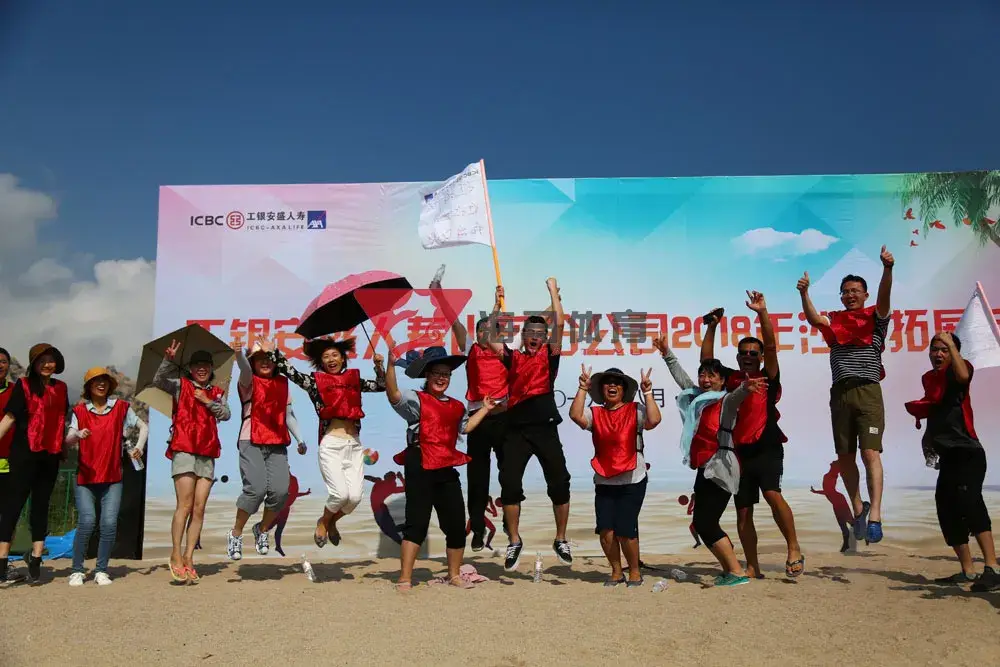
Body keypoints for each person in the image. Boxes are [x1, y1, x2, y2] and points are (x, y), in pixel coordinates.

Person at [700, 292, 803, 578]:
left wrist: (762, 313)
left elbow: (770, 346)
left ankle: (793, 548)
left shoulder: (769, 376)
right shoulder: (731, 379)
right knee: (743, 511)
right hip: (738, 454)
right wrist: (712, 327)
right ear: (737, 357)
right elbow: (707, 361)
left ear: (760, 357)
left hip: (767, 447)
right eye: (743, 353)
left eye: (753, 354)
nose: (748, 357)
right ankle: (753, 567)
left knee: (772, 494)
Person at [798, 246, 894, 545]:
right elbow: (814, 319)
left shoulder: (876, 318)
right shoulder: (835, 321)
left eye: (855, 291)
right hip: (840, 393)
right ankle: (858, 507)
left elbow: (885, 298)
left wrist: (887, 269)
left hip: (867, 391)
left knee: (870, 453)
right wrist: (804, 293)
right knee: (845, 456)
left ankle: (875, 514)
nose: (850, 295)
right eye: (845, 291)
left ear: (865, 295)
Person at [654, 334, 765, 587]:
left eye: (712, 376)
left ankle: (736, 571)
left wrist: (744, 388)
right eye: (702, 375)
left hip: (720, 466)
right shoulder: (698, 400)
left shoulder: (724, 401)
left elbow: (735, 397)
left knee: (706, 522)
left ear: (722, 380)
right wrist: (667, 354)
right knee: (702, 522)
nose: (705, 379)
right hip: (705, 467)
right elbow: (682, 379)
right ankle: (730, 569)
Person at [384, 346, 497, 590]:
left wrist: (485, 409)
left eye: (446, 374)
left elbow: (465, 428)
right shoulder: (415, 399)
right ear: (427, 375)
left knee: (456, 524)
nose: (441, 378)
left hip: (446, 465)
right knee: (417, 523)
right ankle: (405, 578)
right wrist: (390, 366)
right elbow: (393, 395)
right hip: (420, 461)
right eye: (436, 373)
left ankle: (454, 575)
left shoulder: (457, 406)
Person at [485, 277, 572, 571]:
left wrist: (552, 292)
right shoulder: (512, 358)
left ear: (545, 337)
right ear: (523, 336)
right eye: (530, 332)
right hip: (515, 430)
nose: (535, 337)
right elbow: (489, 338)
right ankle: (514, 540)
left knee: (559, 482)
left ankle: (561, 538)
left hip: (545, 427)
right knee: (509, 484)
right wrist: (495, 308)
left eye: (540, 333)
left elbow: (560, 323)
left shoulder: (550, 355)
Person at [905, 331, 999, 591]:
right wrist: (928, 440)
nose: (938, 354)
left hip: (968, 452)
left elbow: (964, 376)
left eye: (944, 349)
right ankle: (968, 571)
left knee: (971, 504)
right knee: (946, 509)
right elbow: (936, 410)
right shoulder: (929, 378)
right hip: (947, 455)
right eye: (935, 349)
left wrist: (952, 346)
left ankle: (992, 567)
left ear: (954, 353)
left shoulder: (960, 370)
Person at [272, 336, 385, 548]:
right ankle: (324, 523)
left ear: (343, 359)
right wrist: (274, 352)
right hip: (331, 444)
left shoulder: (354, 381)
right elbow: (291, 373)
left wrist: (379, 367)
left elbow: (381, 386)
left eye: (335, 355)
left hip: (354, 445)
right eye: (326, 357)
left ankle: (330, 521)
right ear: (320, 362)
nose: (331, 359)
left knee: (354, 499)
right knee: (340, 495)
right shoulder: (315, 382)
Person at [569, 366, 661, 586]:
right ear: (601, 389)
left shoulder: (635, 410)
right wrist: (582, 388)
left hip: (633, 478)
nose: (612, 385)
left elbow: (654, 420)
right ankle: (616, 572)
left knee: (626, 529)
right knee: (606, 530)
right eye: (608, 382)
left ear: (624, 389)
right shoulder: (595, 413)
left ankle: (635, 572)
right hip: (604, 479)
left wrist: (648, 392)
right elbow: (575, 415)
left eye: (617, 383)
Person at [151, 339, 231, 582]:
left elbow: (226, 414)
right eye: (197, 365)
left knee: (199, 508)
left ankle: (189, 557)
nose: (202, 368)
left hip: (207, 451)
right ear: (190, 368)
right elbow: (158, 381)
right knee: (184, 505)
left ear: (211, 368)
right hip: (184, 448)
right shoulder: (180, 385)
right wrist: (168, 359)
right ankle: (176, 554)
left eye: (206, 365)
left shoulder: (216, 392)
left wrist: (208, 401)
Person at [64, 367, 149, 586]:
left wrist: (138, 447)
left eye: (105, 381)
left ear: (110, 385)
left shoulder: (121, 407)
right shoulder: (80, 411)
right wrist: (77, 434)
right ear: (88, 386)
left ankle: (101, 570)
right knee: (87, 521)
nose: (101, 384)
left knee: (109, 524)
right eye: (96, 381)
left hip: (113, 477)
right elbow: (68, 440)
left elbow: (143, 426)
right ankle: (77, 570)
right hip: (85, 478)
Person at [226, 339, 307, 561]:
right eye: (258, 359)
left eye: (268, 358)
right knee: (255, 490)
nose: (264, 362)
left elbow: (289, 415)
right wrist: (238, 355)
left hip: (277, 441)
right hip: (250, 439)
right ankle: (236, 533)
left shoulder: (282, 384)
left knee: (281, 492)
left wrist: (300, 439)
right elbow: (243, 369)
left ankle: (262, 529)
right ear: (252, 362)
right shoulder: (248, 381)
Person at [0, 343, 70, 584]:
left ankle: (36, 559)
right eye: (41, 361)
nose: (47, 364)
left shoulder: (61, 388)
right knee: (13, 506)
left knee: (41, 506)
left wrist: (66, 445)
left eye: (50, 360)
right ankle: (2, 562)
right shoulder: (24, 385)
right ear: (33, 364)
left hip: (50, 456)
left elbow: (62, 421)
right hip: (23, 455)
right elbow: (9, 418)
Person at [811, 461, 854, 553]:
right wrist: (816, 492)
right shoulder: (831, 476)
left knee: (845, 523)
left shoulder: (830, 476)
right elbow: (828, 491)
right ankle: (852, 541)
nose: (832, 462)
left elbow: (828, 491)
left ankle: (848, 544)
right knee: (848, 523)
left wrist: (816, 492)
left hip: (838, 501)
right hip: (837, 501)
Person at [274, 474, 310, 557]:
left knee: (279, 529)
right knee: (269, 526)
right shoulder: (282, 479)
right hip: (279, 508)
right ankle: (259, 533)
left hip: (285, 510)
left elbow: (294, 494)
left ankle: (278, 547)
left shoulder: (292, 479)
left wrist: (305, 493)